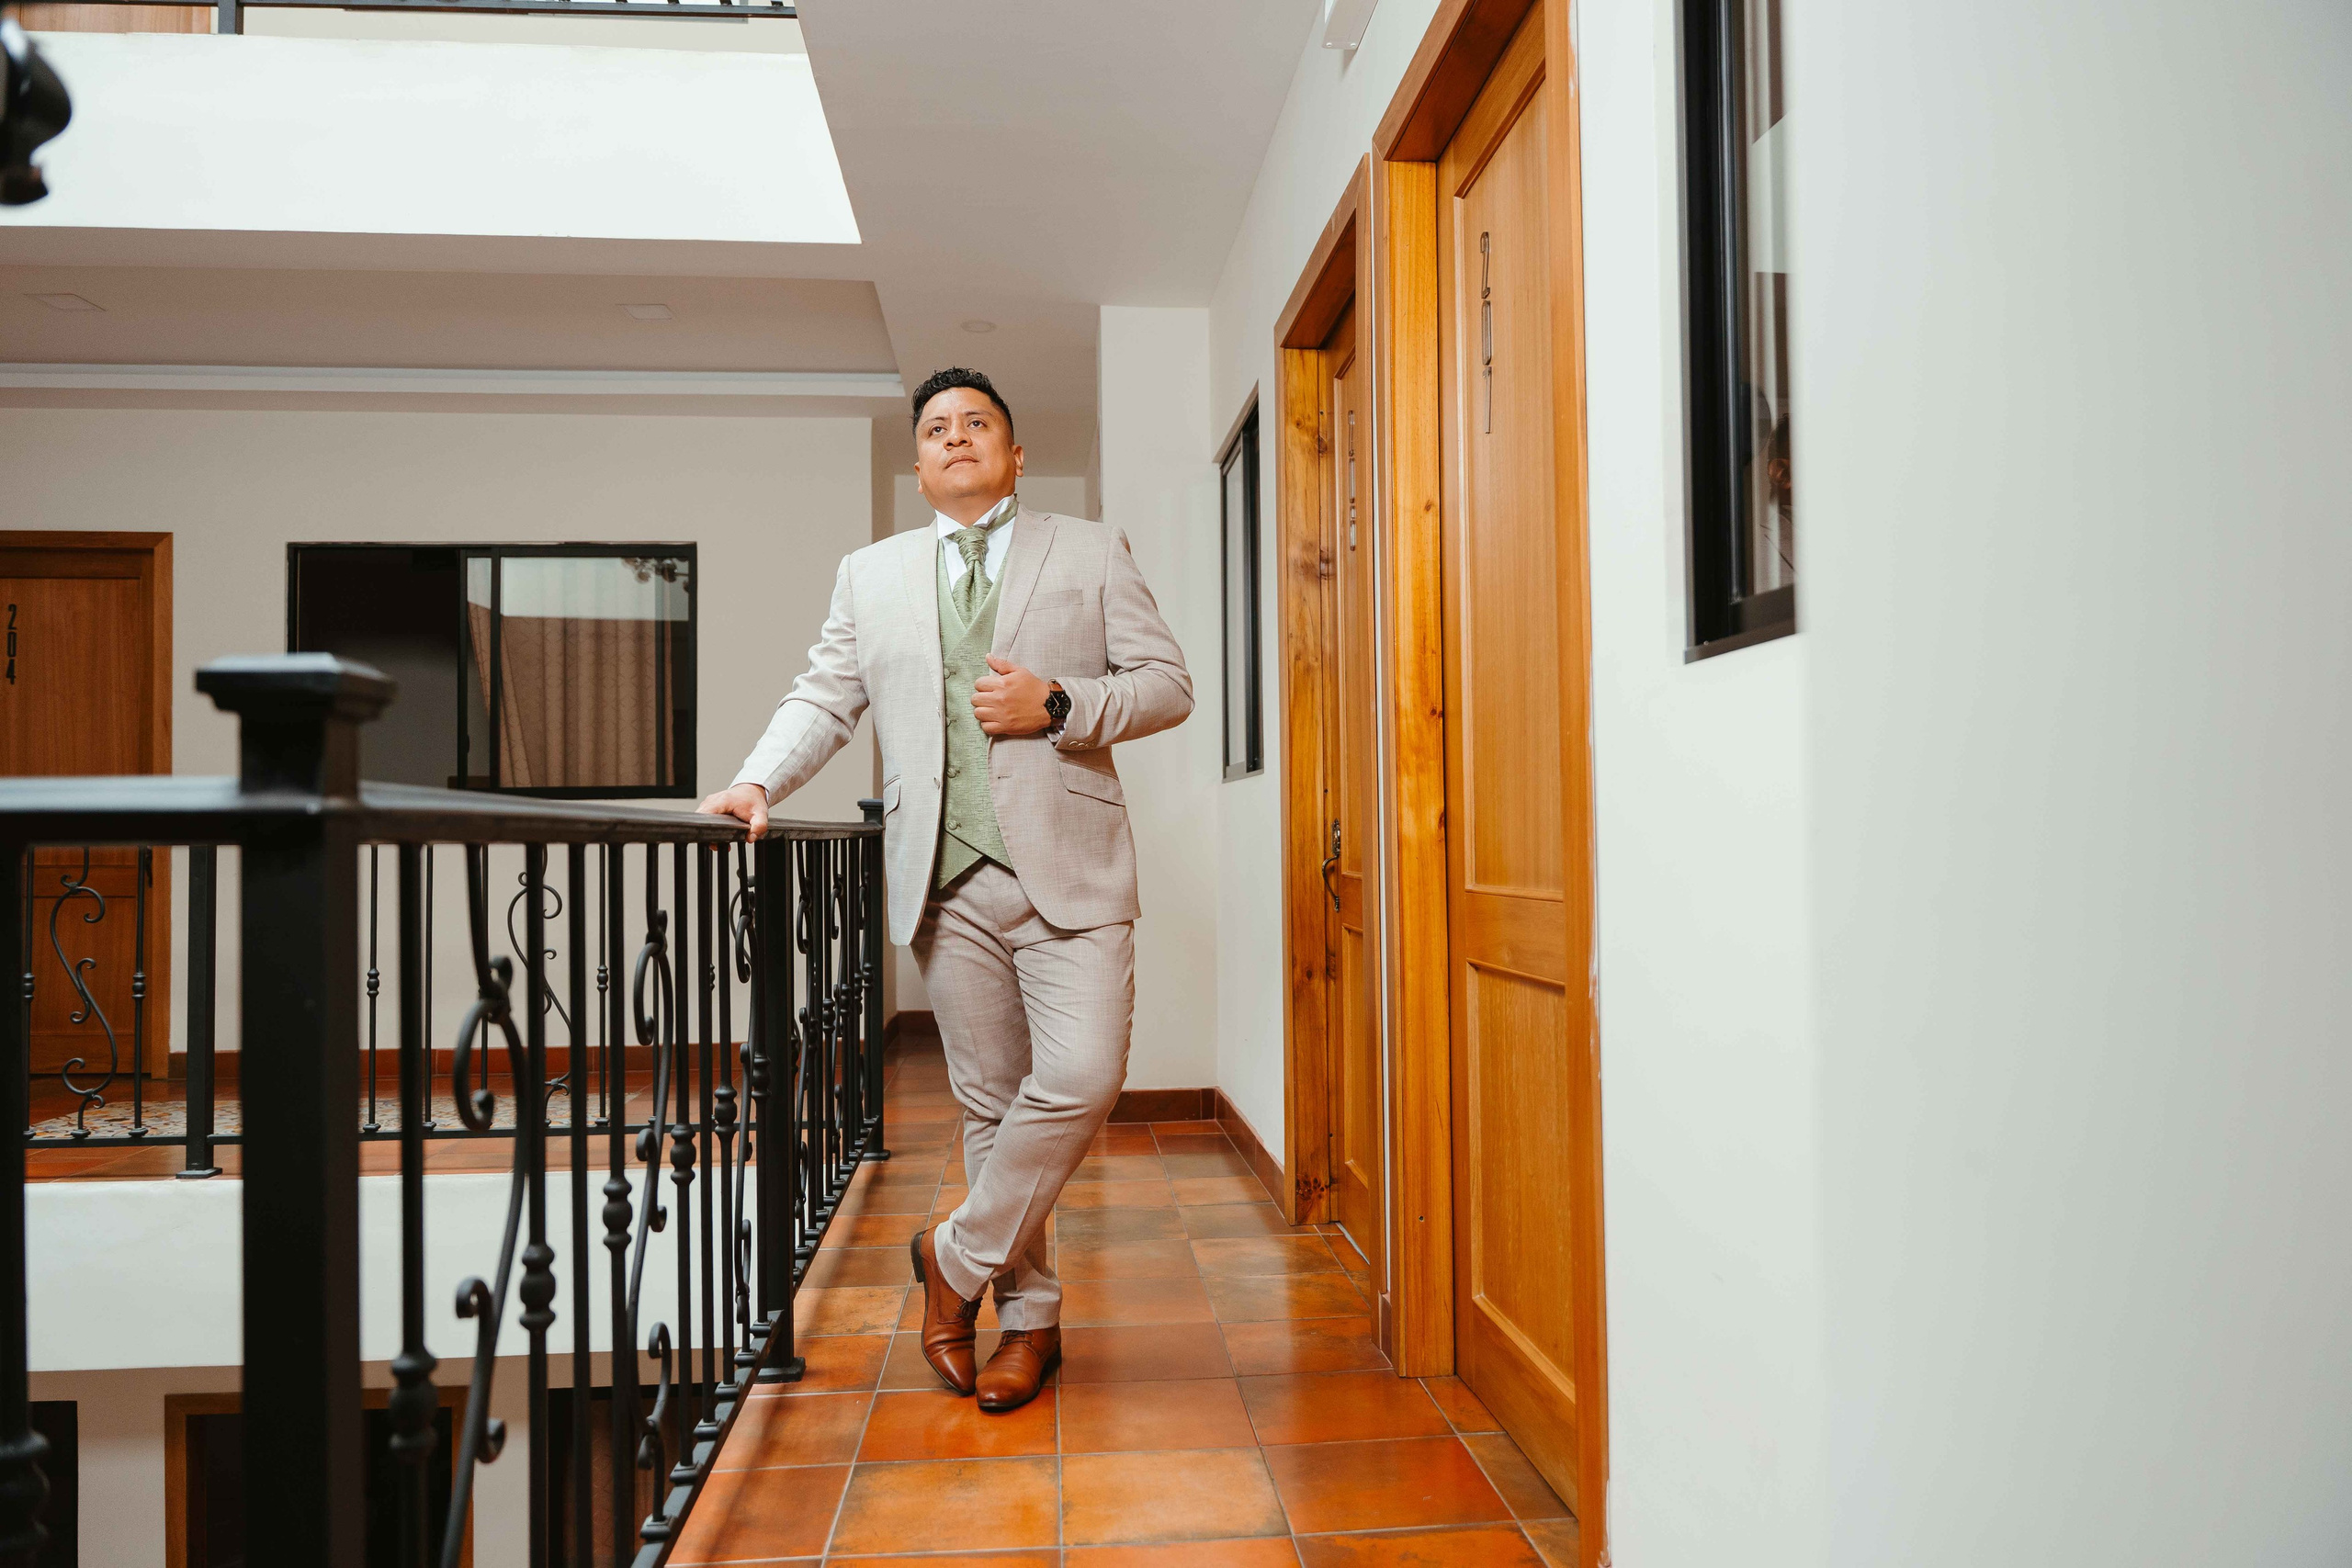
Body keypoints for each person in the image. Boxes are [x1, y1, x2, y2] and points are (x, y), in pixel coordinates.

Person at [697, 367, 1193, 1412]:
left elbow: (1167, 686)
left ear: (1015, 455)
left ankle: (951, 1258)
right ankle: (1029, 1319)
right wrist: (756, 779)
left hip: (1072, 868)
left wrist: (1059, 701)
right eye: (935, 429)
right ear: (919, 466)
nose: (954, 437)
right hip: (942, 881)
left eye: (977, 424)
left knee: (1086, 1075)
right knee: (988, 1107)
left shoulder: (1090, 548)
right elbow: (826, 694)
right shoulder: (868, 573)